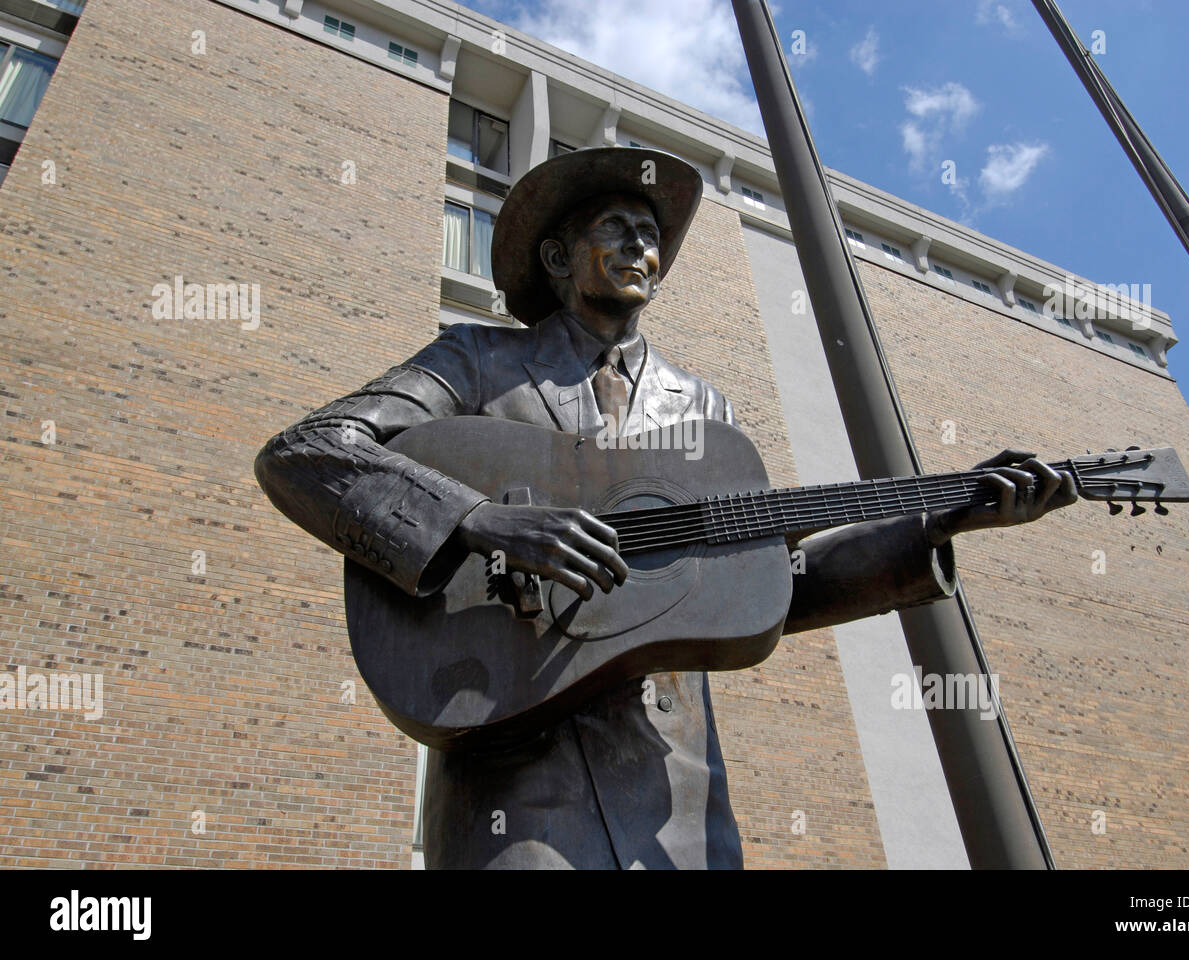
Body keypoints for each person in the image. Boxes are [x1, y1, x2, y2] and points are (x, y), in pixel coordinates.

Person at [254, 147, 1075, 869]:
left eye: (652, 234)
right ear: (556, 255)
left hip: (678, 803)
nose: (643, 245)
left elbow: (768, 584)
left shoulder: (701, 411)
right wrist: (474, 520)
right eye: (617, 226)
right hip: (514, 779)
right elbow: (307, 451)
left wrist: (934, 525)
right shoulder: (477, 361)